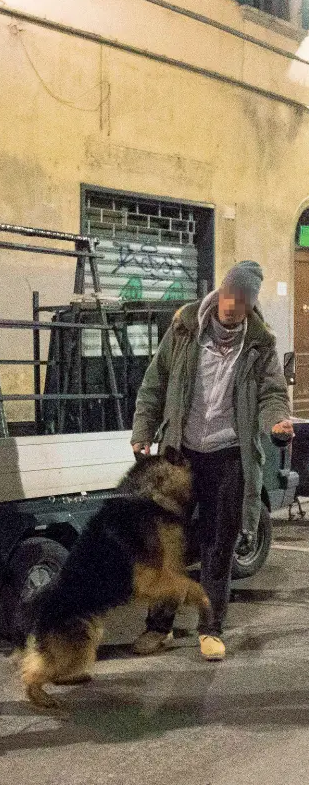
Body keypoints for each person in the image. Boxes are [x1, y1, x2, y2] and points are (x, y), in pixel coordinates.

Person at [130, 261, 293, 661]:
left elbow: (272, 394)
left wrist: (277, 422)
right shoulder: (185, 328)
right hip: (180, 452)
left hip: (229, 456)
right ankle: (159, 627)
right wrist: (142, 430)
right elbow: (156, 382)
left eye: (240, 300)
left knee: (219, 545)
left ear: (250, 305)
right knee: (169, 543)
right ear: (219, 292)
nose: (230, 305)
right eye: (227, 294)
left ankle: (210, 628)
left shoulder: (260, 344)